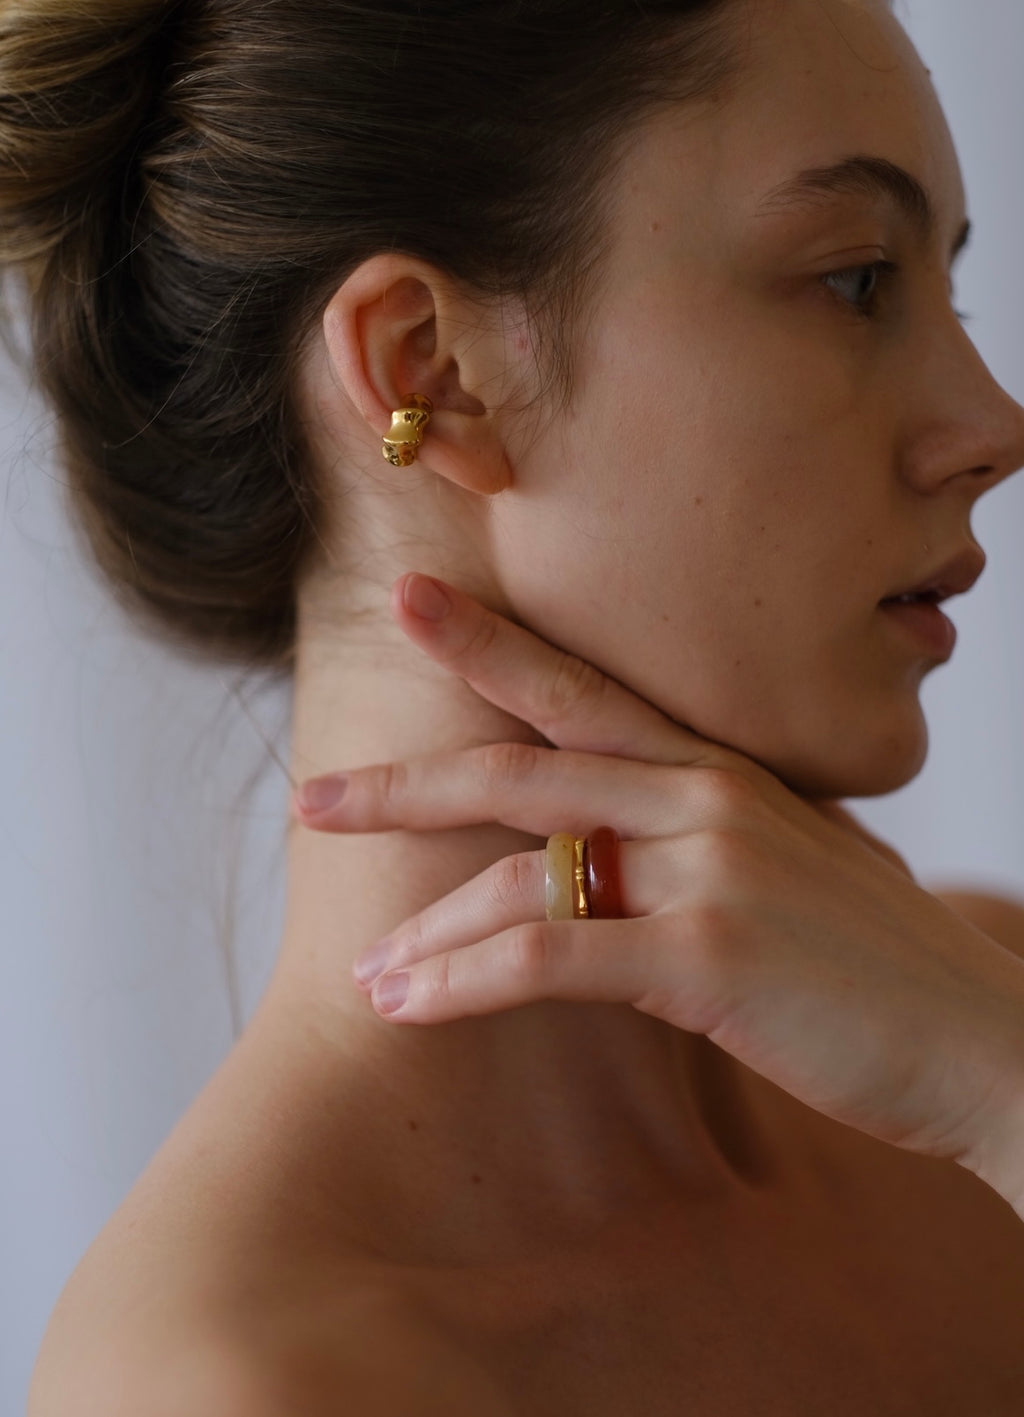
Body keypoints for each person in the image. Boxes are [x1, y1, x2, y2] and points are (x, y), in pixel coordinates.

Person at [13, 0, 1024, 1410]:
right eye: (858, 279)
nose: (995, 426)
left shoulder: (976, 1013)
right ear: (430, 368)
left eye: (948, 291)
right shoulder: (250, 1382)